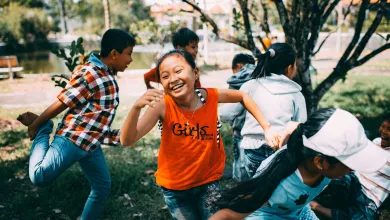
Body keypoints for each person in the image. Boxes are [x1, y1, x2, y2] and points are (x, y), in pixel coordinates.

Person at [120, 49, 280, 220]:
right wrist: (136, 108)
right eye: (165, 76)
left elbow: (242, 96)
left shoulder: (209, 96)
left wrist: (267, 127)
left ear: (195, 73)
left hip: (208, 183)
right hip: (175, 189)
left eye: (178, 71)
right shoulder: (162, 106)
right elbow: (127, 140)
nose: (173, 79)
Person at [16, 29, 135, 219]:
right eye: (129, 54)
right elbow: (64, 101)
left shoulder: (108, 76)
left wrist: (120, 137)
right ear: (114, 53)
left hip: (90, 145)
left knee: (102, 187)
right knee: (39, 176)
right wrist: (38, 124)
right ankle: (45, 130)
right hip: (72, 139)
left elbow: (96, 120)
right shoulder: (91, 73)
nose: (130, 60)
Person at [210, 108, 390, 220]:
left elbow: (296, 126)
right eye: (350, 162)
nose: (354, 168)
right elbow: (226, 215)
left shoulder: (310, 144)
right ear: (321, 162)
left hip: (297, 211)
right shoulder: (279, 185)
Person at [220, 43, 307, 179]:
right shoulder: (296, 94)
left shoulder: (250, 86)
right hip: (280, 151)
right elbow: (301, 125)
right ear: (289, 68)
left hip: (252, 150)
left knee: (254, 189)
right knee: (273, 190)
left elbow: (225, 114)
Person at [310, 113, 390, 220]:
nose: (383, 132)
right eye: (382, 126)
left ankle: (315, 207)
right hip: (354, 181)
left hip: (370, 198)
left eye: (389, 129)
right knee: (333, 176)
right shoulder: (376, 142)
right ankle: (307, 193)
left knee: (364, 218)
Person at [220, 53, 256, 181]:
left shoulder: (238, 81)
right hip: (260, 133)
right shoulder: (260, 79)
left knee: (240, 170)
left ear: (239, 66)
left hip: (240, 132)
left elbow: (226, 113)